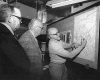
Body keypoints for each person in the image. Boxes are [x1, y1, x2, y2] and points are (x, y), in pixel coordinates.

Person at [0, 4, 30, 80]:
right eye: (19, 18)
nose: (21, 21)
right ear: (10, 18)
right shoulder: (4, 36)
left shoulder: (6, 34)